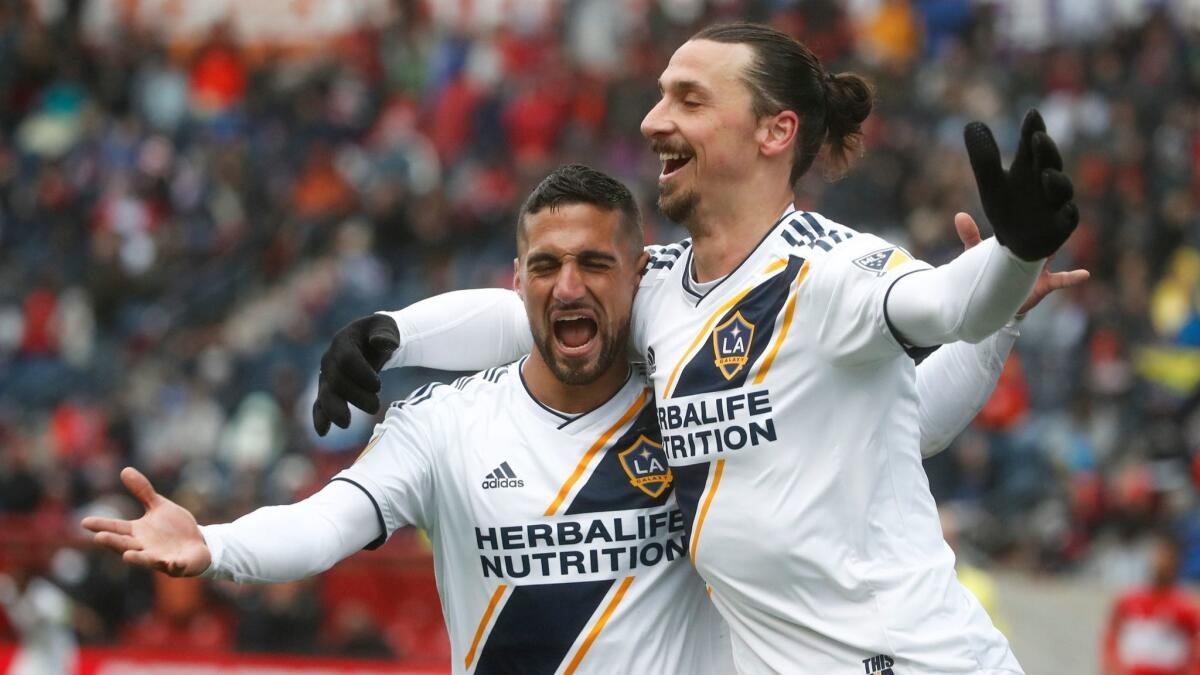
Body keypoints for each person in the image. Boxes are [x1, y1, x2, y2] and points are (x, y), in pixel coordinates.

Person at [311, 23, 1086, 674]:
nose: (652, 121)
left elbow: (949, 303)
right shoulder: (663, 291)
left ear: (774, 131)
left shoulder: (834, 270)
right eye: (659, 95)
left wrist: (1012, 255)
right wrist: (392, 332)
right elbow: (530, 313)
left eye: (688, 98)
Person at [82, 165, 732, 674]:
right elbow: (325, 521)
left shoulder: (696, 410)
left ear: (639, 275)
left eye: (594, 262)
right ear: (516, 279)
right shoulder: (441, 425)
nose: (567, 286)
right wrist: (215, 544)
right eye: (545, 265)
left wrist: (397, 333)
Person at [1103, 531, 1200, 675]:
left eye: (1166, 557)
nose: (1160, 562)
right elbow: (1111, 638)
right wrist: (1113, 666)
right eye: (1158, 555)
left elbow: (1195, 649)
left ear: (1176, 562)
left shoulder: (1185, 608)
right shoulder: (1128, 601)